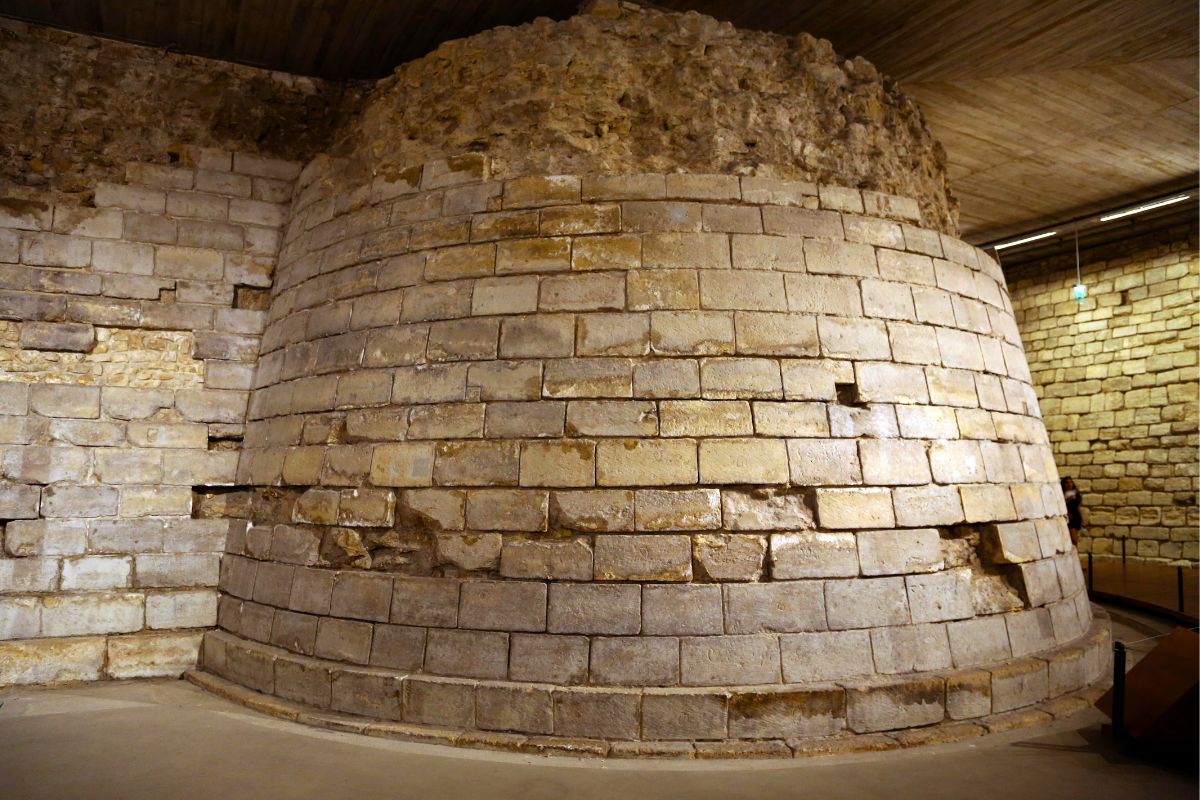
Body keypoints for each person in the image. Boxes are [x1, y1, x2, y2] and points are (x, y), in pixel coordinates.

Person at [1061, 477, 1083, 545]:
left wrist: (1082, 517)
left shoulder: (1076, 493)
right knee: (1073, 540)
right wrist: (1067, 499)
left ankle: (1075, 554)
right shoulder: (1061, 494)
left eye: (1071, 482)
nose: (1069, 484)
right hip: (1068, 518)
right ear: (1063, 484)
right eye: (1067, 482)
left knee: (1075, 539)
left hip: (1076, 517)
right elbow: (1059, 505)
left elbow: (1078, 506)